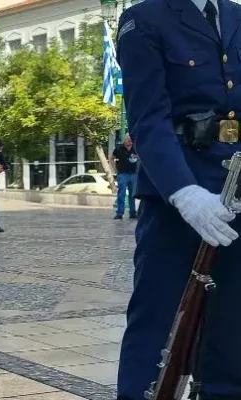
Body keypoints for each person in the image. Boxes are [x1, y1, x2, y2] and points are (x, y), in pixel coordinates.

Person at [116, 1, 241, 399]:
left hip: (236, 189)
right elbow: (148, 117)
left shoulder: (238, 16)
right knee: (158, 321)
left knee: (233, 329)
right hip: (178, 196)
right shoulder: (145, 17)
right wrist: (183, 192)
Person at [109, 135, 139, 220]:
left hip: (133, 174)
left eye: (131, 141)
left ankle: (133, 212)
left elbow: (140, 158)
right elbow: (111, 158)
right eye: (129, 141)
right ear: (125, 140)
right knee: (121, 194)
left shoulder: (135, 148)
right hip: (122, 174)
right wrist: (114, 169)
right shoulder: (118, 149)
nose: (130, 143)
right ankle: (119, 213)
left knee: (132, 195)